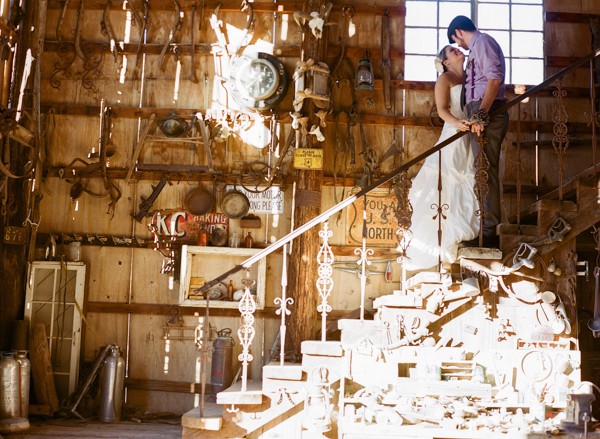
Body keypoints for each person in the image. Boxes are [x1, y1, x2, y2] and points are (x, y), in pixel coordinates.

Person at [404, 45, 479, 270]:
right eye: (451, 51)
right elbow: (442, 110)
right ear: (446, 62)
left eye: (456, 48)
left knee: (474, 176)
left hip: (473, 132)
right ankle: (450, 237)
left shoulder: (471, 76)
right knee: (453, 178)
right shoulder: (445, 79)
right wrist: (457, 123)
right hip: (455, 132)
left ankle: (471, 232)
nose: (457, 50)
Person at [447, 15, 509, 248]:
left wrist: (481, 114)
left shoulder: (482, 42)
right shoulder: (476, 48)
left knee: (485, 170)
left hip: (487, 111)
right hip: (480, 111)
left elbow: (494, 78)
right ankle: (487, 230)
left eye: (455, 40)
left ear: (458, 32)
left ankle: (489, 233)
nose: (458, 45)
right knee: (482, 170)